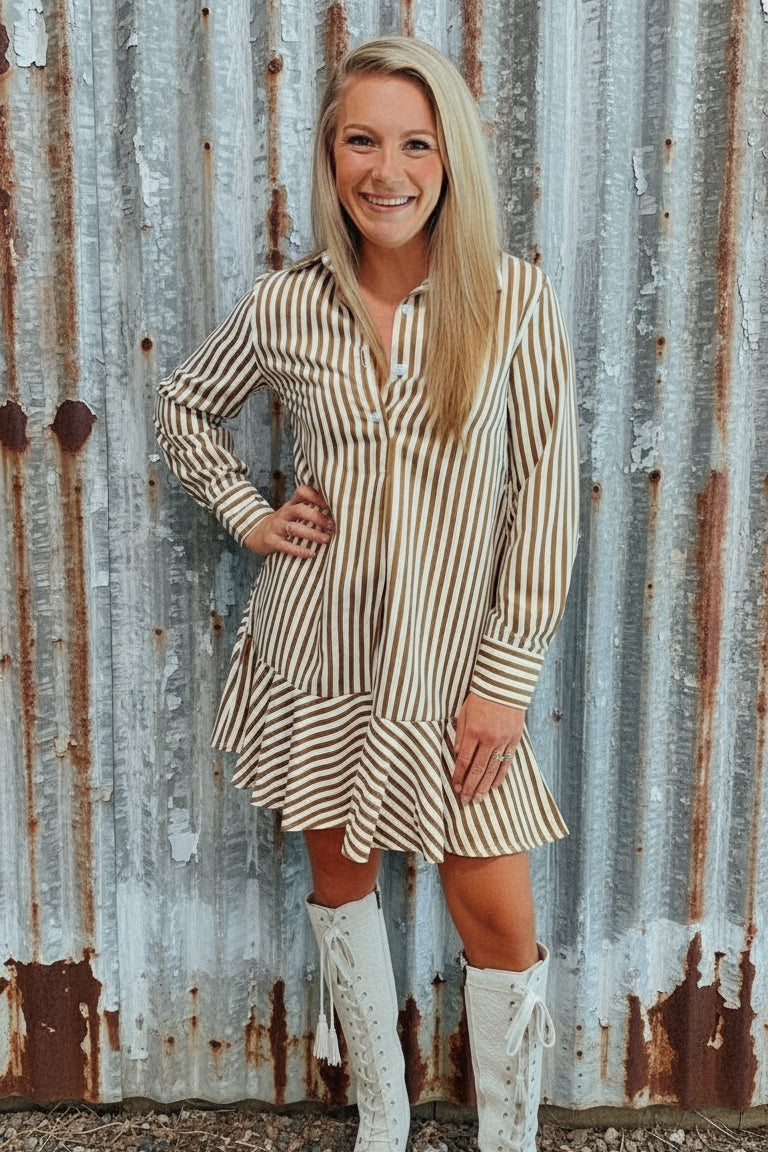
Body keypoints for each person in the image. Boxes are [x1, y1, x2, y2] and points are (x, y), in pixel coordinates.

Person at [155, 36, 578, 1152]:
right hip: (323, 652)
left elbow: (541, 496)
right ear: (331, 154)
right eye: (360, 141)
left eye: (413, 143)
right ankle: (381, 1120)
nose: (385, 170)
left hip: (454, 673)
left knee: (496, 916)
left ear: (450, 160)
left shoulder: (513, 303)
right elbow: (183, 408)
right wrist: (250, 514)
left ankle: (510, 1136)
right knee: (342, 885)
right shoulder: (288, 306)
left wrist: (503, 679)